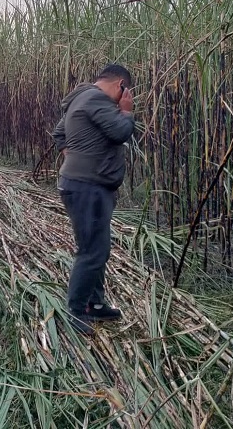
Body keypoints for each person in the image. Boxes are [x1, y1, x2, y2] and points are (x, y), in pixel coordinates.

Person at [52, 64, 134, 334]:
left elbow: (59, 133)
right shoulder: (97, 99)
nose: (125, 95)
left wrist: (74, 158)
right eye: (126, 91)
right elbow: (121, 132)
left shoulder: (80, 99)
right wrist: (126, 111)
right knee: (92, 251)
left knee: (97, 248)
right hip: (88, 187)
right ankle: (76, 310)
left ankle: (96, 305)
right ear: (120, 84)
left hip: (83, 185)